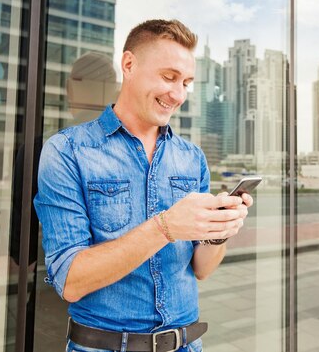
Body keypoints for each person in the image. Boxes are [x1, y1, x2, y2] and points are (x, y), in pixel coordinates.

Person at [34, 19, 252, 352]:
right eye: (169, 77)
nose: (178, 94)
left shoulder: (192, 158)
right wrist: (165, 227)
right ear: (129, 65)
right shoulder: (67, 151)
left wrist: (219, 230)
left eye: (186, 82)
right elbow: (70, 281)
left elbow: (202, 269)